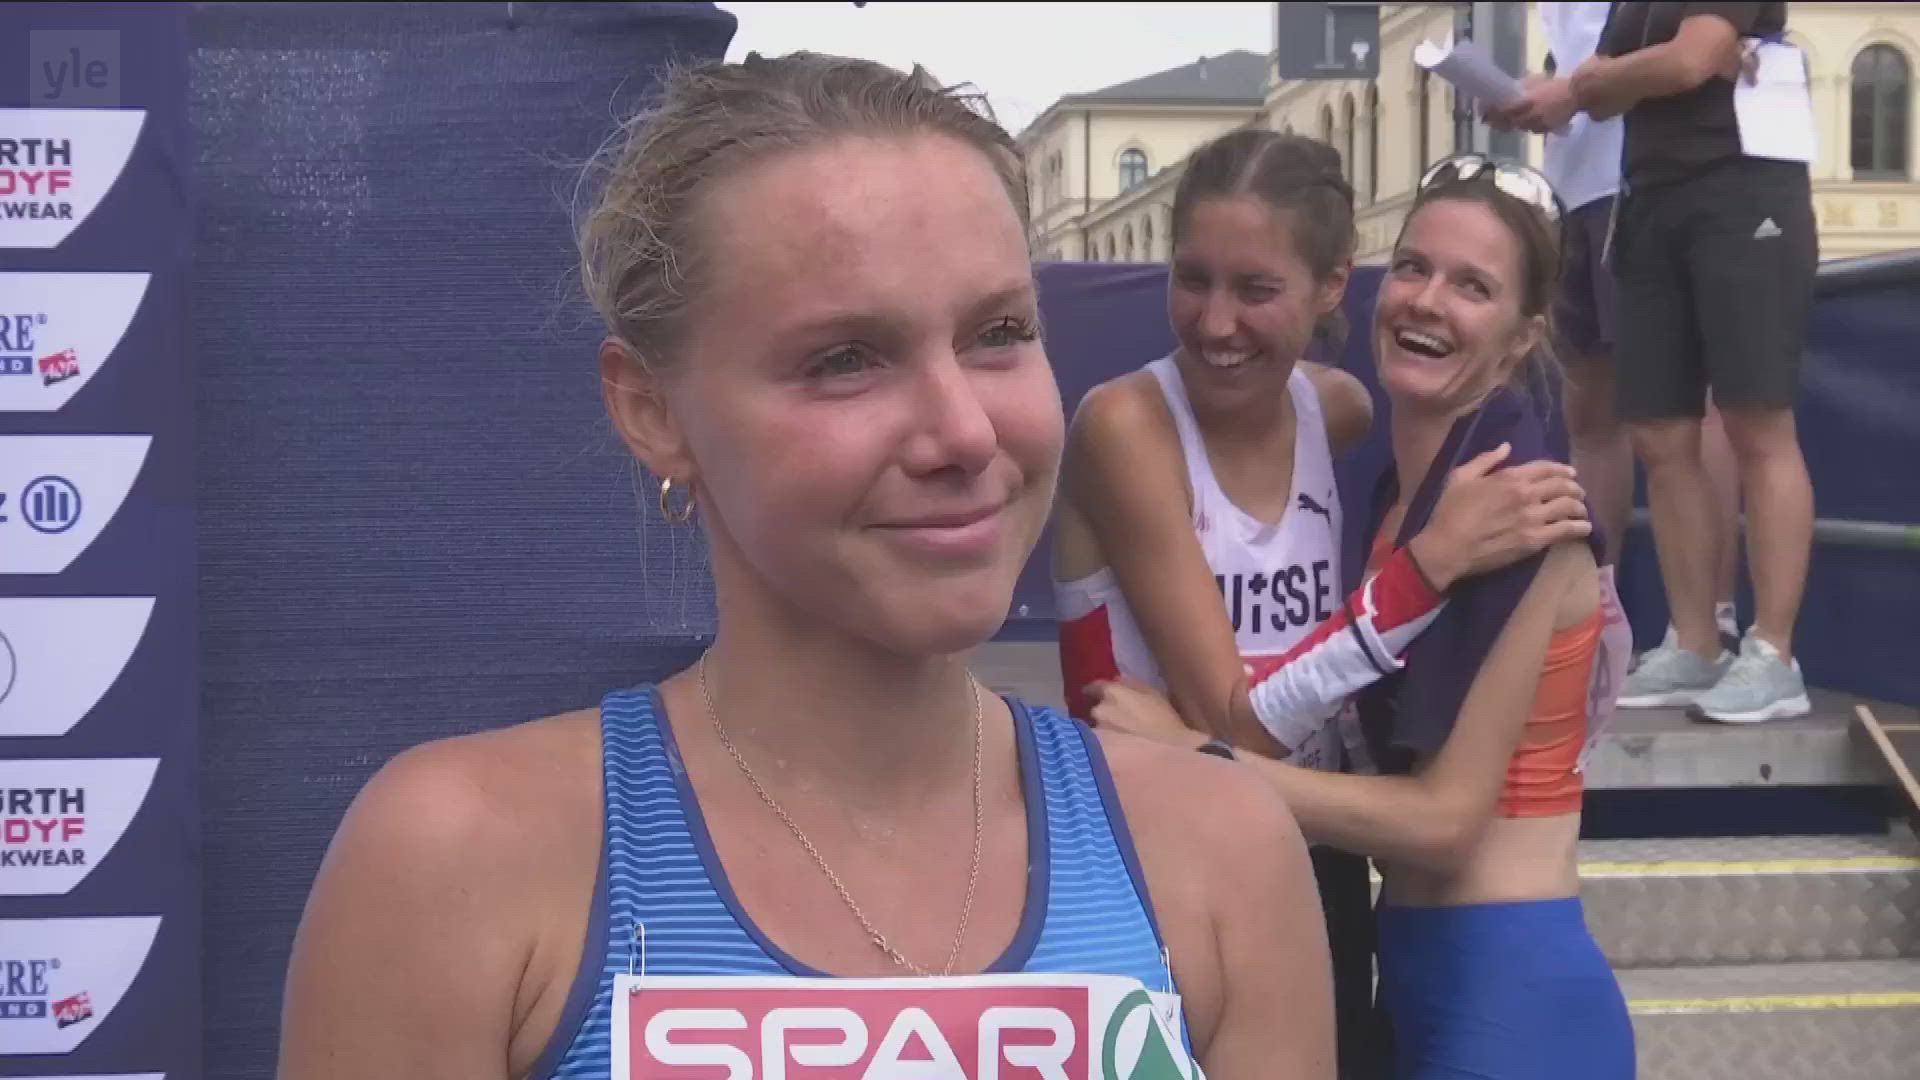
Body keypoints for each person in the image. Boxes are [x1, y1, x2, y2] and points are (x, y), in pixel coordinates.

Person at [275, 52, 1337, 1080]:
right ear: (651, 410)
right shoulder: (458, 864)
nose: (965, 432)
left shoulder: (1220, 852)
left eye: (998, 332)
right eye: (845, 359)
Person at [1049, 130, 1593, 1080]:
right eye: (1193, 279)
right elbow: (1236, 723)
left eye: (1256, 289)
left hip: (1321, 870)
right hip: (1152, 865)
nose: (1217, 322)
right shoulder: (1126, 426)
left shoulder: (1337, 411)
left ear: (1332, 285)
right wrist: (1424, 569)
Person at [1573, 1, 1816, 721]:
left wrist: (1616, 77)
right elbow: (1611, 86)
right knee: (1659, 432)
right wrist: (1624, 77)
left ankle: (1774, 653)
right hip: (1649, 199)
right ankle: (1696, 641)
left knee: (1756, 420)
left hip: (1744, 191)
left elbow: (1689, 58)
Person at [1486, 0, 1744, 656]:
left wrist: (1569, 93)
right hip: (1573, 188)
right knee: (1590, 414)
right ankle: (1594, 616)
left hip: (1651, 177)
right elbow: (1584, 54)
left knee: (1688, 406)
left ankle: (1711, 618)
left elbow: (1685, 50)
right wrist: (1534, 95)